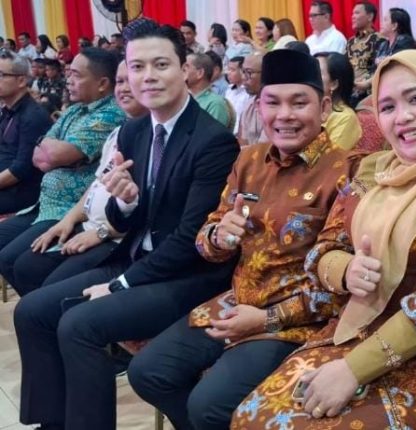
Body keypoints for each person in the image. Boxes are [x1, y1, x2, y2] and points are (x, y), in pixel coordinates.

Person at [231, 48, 416, 430]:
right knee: (250, 419)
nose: (402, 117)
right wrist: (345, 269)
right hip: (361, 325)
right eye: (387, 107)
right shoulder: (375, 170)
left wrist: (352, 371)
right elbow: (323, 249)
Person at [12, 18, 239, 430]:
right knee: (32, 310)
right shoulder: (134, 131)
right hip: (135, 259)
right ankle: (53, 422)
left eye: (160, 65)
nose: (148, 76)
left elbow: (190, 239)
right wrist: (125, 202)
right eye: (137, 67)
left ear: (184, 69)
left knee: (79, 323)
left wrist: (120, 285)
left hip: (185, 276)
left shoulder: (213, 141)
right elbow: (124, 220)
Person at [128, 48, 359, 430]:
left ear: (323, 107)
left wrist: (266, 319)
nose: (284, 115)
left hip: (299, 321)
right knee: (148, 372)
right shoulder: (249, 160)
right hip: (236, 303)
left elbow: (340, 286)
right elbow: (206, 238)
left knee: (209, 405)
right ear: (259, 106)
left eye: (299, 103)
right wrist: (219, 237)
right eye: (273, 102)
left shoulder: (346, 172)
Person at [13, 61, 148, 295]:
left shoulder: (151, 138)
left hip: (114, 237)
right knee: (26, 267)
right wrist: (68, 220)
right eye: (120, 81)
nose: (125, 88)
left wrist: (101, 233)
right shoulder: (119, 132)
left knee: (48, 291)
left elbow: (145, 213)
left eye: (131, 80)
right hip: (86, 221)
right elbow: (96, 185)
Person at [0, 50, 51, 214]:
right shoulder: (8, 111)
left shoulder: (32, 116)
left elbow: (20, 170)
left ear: (21, 80)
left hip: (19, 191)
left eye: (1, 75)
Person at [315, 52, 361, 150]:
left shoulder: (345, 118)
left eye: (316, 73)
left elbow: (319, 156)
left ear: (333, 84)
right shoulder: (310, 109)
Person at [186, 52, 233, 128]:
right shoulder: (185, 99)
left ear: (200, 73)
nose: (180, 72)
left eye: (185, 69)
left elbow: (213, 134)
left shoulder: (215, 104)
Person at [346, 1, 380, 105]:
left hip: (367, 91)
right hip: (349, 88)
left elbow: (378, 69)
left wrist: (363, 84)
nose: (353, 17)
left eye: (357, 13)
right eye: (352, 13)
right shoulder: (350, 42)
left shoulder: (378, 39)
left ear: (370, 16)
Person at [237, 51, 267, 145]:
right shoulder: (249, 106)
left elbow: (265, 147)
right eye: (243, 72)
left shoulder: (277, 108)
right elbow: (243, 146)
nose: (243, 78)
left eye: (249, 72)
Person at [224, 56, 250, 133]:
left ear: (242, 71)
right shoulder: (229, 90)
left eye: (232, 70)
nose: (228, 73)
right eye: (228, 69)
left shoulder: (249, 92)